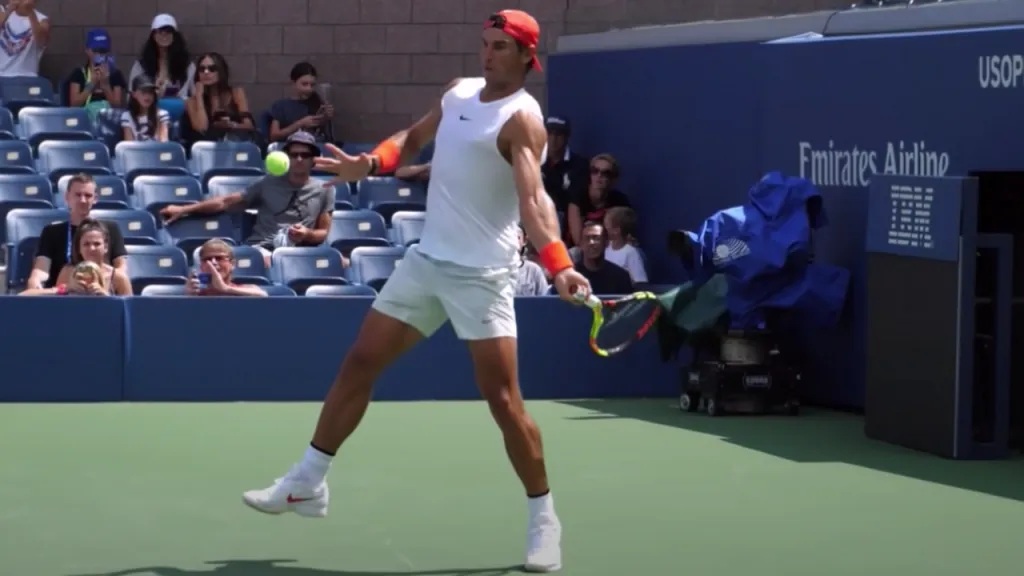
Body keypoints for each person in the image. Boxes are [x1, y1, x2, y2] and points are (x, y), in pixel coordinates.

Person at [240, 11, 590, 573]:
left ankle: (544, 520)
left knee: (503, 403)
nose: (488, 54)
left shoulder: (523, 120)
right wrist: (371, 162)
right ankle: (307, 481)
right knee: (360, 363)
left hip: (482, 275)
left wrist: (559, 264)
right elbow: (413, 136)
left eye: (500, 47)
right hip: (426, 262)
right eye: (484, 44)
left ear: (527, 57)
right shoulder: (459, 93)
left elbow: (535, 201)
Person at [20, 218, 132, 296]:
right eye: (86, 244)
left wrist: (106, 297)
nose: (92, 248)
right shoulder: (68, 272)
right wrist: (66, 289)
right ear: (79, 248)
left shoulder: (118, 278)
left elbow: (129, 313)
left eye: (97, 244)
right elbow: (25, 295)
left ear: (106, 247)